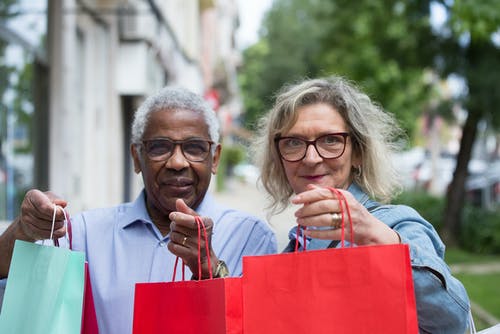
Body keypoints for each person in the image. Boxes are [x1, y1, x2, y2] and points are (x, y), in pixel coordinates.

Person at [0, 86, 277, 333]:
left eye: (194, 148)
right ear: (136, 157)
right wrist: (24, 229)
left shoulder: (252, 237)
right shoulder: (82, 233)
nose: (177, 162)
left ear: (214, 158)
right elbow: (12, 286)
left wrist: (209, 268)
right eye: (159, 147)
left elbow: (258, 325)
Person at [252, 76, 471, 333]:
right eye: (293, 143)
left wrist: (377, 238)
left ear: (358, 152)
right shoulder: (296, 245)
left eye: (330, 140)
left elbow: (452, 319)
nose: (311, 158)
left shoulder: (394, 223)